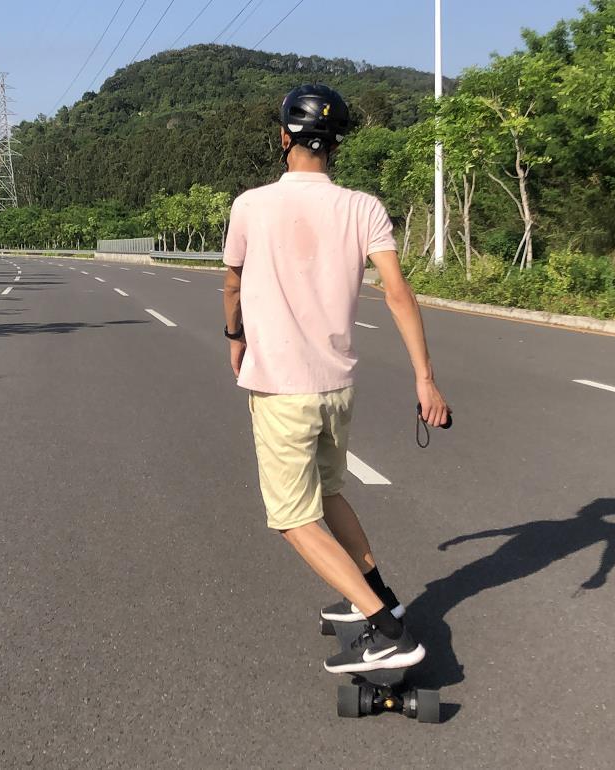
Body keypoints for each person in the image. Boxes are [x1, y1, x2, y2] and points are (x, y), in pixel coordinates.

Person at [222, 84, 450, 674]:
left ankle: (385, 626)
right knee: (329, 493)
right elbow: (398, 293)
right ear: (337, 144)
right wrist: (425, 379)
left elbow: (231, 284)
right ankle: (374, 592)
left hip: (280, 386)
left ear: (283, 138)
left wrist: (234, 338)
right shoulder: (363, 206)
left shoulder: (250, 205)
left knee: (293, 518)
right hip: (336, 386)